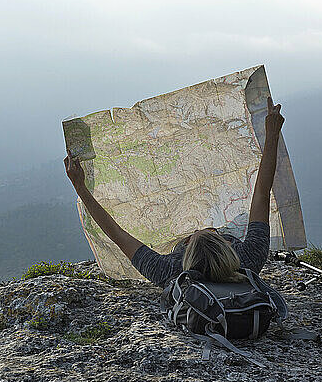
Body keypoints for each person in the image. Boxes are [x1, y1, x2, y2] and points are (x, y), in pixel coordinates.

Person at [64, 97, 285, 288]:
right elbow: (261, 194)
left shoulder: (168, 271)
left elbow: (116, 233)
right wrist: (272, 134)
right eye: (213, 231)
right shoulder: (249, 258)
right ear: (228, 245)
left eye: (196, 232)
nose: (203, 227)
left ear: (186, 248)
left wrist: (80, 187)